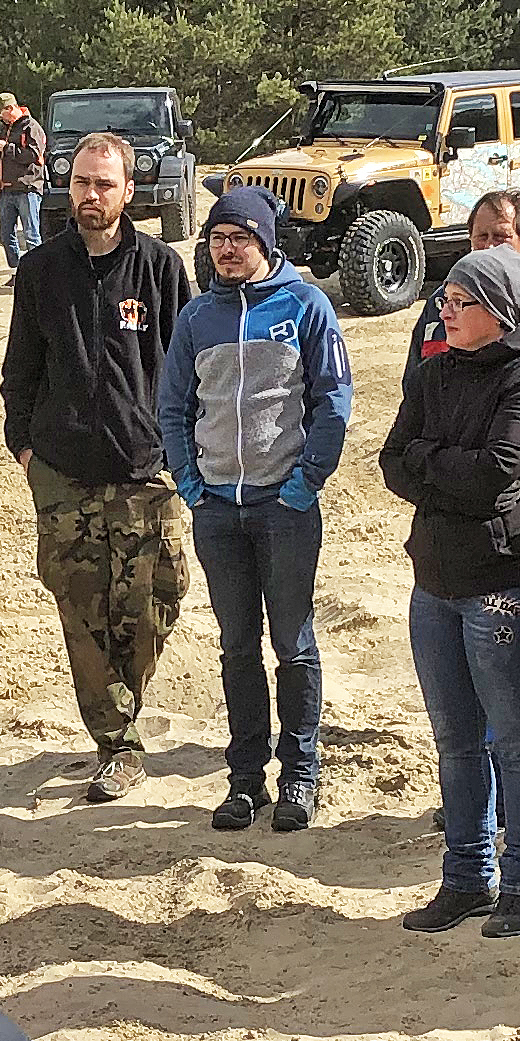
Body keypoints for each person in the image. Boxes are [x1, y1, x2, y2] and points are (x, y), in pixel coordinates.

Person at [379, 243, 520, 937]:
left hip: (506, 584)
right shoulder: (434, 375)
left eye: (461, 302)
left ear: (501, 310)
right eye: (445, 301)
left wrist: (433, 465)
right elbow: (391, 462)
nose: (446, 312)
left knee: (517, 742)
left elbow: (497, 473)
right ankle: (465, 878)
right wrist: (440, 468)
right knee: (454, 741)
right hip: (434, 581)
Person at [4, 132, 193, 802]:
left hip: (149, 469)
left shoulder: (163, 269)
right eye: (82, 182)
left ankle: (122, 716)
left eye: (104, 184)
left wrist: (180, 451)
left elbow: (190, 369)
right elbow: (19, 374)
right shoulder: (40, 271)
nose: (90, 195)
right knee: (82, 612)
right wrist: (26, 451)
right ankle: (119, 744)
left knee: (153, 605)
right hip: (64, 472)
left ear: (128, 191)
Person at [158, 185, 352, 833]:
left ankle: (300, 774)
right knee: (236, 648)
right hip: (217, 512)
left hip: (287, 510)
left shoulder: (306, 306)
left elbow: (333, 403)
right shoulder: (196, 320)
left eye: (239, 238)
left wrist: (304, 484)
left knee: (292, 645)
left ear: (266, 243)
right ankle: (246, 782)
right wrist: (189, 482)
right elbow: (173, 409)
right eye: (217, 239)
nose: (227, 250)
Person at [412, 188, 520, 362]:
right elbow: (418, 376)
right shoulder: (440, 303)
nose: (489, 246)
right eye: (481, 236)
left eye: (500, 237)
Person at [0, 94, 47, 275]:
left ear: (10, 109)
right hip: (6, 189)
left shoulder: (32, 127)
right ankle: (18, 271)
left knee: (31, 235)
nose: (0, 118)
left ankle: (37, 274)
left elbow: (33, 155)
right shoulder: (6, 129)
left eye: (1, 113)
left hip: (27, 189)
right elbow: (8, 155)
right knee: (6, 236)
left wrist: (6, 148)